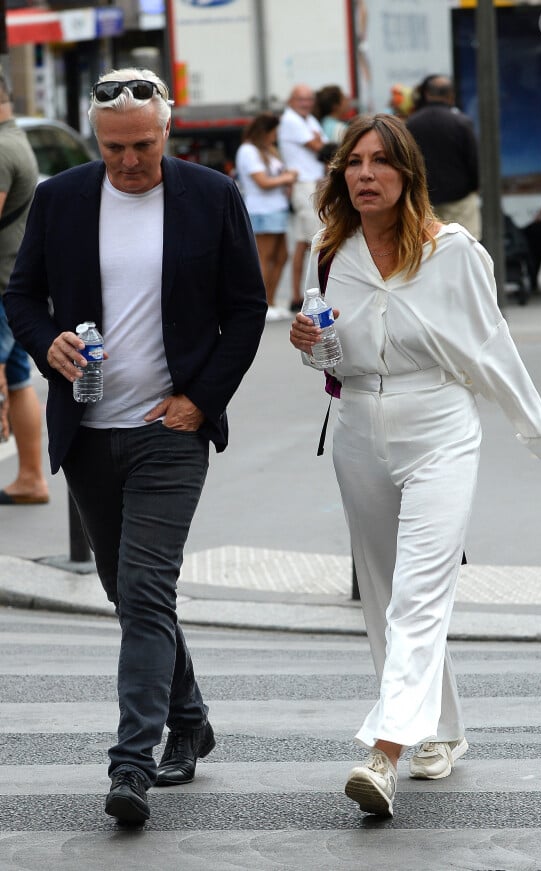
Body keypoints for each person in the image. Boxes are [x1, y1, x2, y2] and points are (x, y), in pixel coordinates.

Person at [289, 113, 541, 819]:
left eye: (380, 162)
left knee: (419, 592)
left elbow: (492, 351)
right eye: (354, 162)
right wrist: (308, 341)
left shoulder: (453, 251)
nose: (364, 174)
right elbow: (329, 356)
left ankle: (382, 752)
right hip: (357, 426)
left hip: (440, 428)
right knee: (387, 596)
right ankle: (440, 730)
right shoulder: (331, 252)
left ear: (408, 174)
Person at [5, 67, 267, 825]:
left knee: (147, 592)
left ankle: (131, 764)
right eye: (115, 147)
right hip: (89, 431)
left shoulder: (210, 197)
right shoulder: (60, 199)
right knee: (132, 596)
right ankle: (190, 718)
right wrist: (44, 340)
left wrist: (198, 399)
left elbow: (246, 310)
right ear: (97, 137)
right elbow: (22, 295)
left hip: (169, 431)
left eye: (143, 145)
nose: (129, 161)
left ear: (168, 129)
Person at [0, 68, 49, 505]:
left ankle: (32, 478)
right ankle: (31, 477)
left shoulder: (0, 149)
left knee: (11, 382)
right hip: (13, 284)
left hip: (1, 286)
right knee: (17, 381)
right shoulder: (17, 138)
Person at [235, 112, 298, 321]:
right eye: (273, 132)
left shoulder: (269, 151)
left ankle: (271, 301)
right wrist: (287, 177)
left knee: (282, 256)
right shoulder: (248, 150)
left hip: (277, 208)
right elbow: (262, 181)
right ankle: (261, 304)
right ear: (264, 132)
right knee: (265, 257)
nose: (275, 136)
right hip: (262, 210)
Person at [406, 75, 481, 239]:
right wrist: (474, 186)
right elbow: (474, 161)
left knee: (429, 249)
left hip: (424, 202)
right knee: (465, 244)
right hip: (459, 201)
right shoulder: (461, 122)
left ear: (427, 94)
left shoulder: (411, 124)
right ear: (451, 96)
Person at [278, 84, 327, 312]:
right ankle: (316, 295)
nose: (306, 103)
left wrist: (319, 142)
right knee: (316, 241)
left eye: (309, 99)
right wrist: (318, 142)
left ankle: (297, 296)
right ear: (291, 100)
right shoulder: (292, 120)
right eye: (301, 99)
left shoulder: (307, 120)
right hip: (305, 186)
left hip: (310, 185)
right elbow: (320, 147)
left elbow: (323, 146)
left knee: (302, 242)